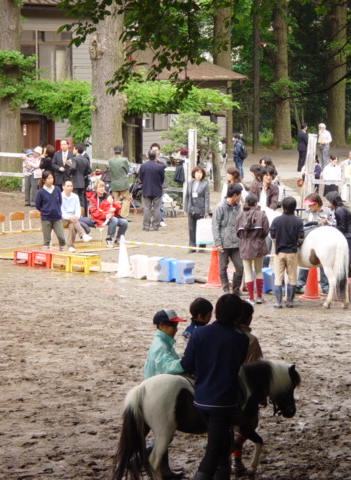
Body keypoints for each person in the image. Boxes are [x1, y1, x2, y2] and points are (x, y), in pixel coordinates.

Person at [180, 294, 249, 480]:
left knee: (222, 446)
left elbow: (186, 365)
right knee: (213, 452)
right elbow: (236, 365)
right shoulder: (241, 339)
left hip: (201, 398)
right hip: (224, 402)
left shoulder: (199, 333)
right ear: (237, 315)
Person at [143, 308, 187, 480]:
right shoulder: (160, 347)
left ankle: (165, 470)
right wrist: (187, 362)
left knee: (163, 433)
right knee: (164, 436)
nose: (175, 329)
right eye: (172, 325)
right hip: (157, 396)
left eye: (176, 325)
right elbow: (170, 367)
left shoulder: (163, 343)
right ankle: (141, 457)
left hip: (155, 391)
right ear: (161, 325)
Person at [270, 196, 304, 308]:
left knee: (278, 277)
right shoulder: (298, 221)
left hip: (279, 252)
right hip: (292, 252)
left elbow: (272, 235)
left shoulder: (276, 220)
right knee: (292, 277)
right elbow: (300, 237)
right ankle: (290, 301)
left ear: (283, 206)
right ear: (294, 207)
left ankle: (278, 302)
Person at [236, 193, 270, 304]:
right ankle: (259, 297)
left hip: (245, 246)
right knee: (259, 270)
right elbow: (266, 231)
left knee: (248, 271)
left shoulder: (240, 216)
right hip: (258, 245)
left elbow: (237, 232)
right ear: (256, 203)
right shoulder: (262, 215)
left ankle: (251, 298)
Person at [296, 193, 332, 294]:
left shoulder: (327, 211)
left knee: (323, 262)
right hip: (309, 239)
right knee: (305, 260)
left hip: (323, 240)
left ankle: (325, 286)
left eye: (311, 205)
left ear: (316, 204)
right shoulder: (308, 212)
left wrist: (326, 222)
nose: (309, 207)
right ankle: (300, 282)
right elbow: (304, 223)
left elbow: (334, 223)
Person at [212, 183, 244, 294]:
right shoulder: (219, 207)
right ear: (235, 195)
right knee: (223, 267)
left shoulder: (239, 207)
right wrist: (218, 243)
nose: (240, 197)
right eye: (239, 195)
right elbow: (215, 226)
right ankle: (225, 289)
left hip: (236, 243)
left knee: (240, 266)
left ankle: (236, 289)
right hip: (224, 243)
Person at [325, 191, 351, 276]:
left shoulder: (339, 211)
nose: (327, 203)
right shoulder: (341, 209)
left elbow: (342, 228)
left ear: (333, 201)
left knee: (348, 260)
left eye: (328, 201)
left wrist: (328, 226)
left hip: (349, 237)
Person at [87, 180, 128, 248]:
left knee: (125, 222)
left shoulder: (108, 196)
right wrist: (105, 215)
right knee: (114, 220)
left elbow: (116, 206)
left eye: (103, 187)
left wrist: (115, 208)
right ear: (96, 189)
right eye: (99, 187)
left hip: (110, 216)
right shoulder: (93, 198)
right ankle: (109, 239)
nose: (102, 189)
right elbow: (93, 212)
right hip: (99, 218)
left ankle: (118, 239)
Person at [35, 170, 66, 250]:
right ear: (44, 180)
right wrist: (45, 210)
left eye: (52, 178)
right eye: (48, 178)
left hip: (57, 217)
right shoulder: (41, 192)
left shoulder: (57, 190)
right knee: (47, 239)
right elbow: (38, 205)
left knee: (61, 237)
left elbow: (60, 202)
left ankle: (62, 252)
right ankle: (46, 255)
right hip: (46, 218)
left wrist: (56, 210)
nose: (51, 180)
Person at [184, 166, 211, 252]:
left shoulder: (205, 184)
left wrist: (206, 210)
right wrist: (186, 209)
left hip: (201, 209)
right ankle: (192, 246)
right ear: (194, 174)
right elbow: (187, 197)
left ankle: (202, 246)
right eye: (197, 173)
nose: (199, 175)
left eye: (200, 173)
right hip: (191, 208)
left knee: (201, 228)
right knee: (191, 228)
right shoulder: (190, 183)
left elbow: (207, 198)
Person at [61, 180, 92, 252]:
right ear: (63, 187)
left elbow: (78, 209)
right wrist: (70, 217)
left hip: (74, 219)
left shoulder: (75, 196)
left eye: (71, 186)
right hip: (63, 219)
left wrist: (76, 216)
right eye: (68, 186)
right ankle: (83, 234)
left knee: (72, 225)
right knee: (73, 221)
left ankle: (70, 246)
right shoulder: (60, 197)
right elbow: (61, 212)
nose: (70, 188)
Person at [139, 150, 165, 231]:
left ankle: (146, 226)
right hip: (157, 189)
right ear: (155, 157)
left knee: (147, 208)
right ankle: (156, 226)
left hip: (146, 189)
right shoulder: (159, 166)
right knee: (157, 208)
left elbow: (141, 177)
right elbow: (162, 178)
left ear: (148, 156)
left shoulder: (143, 166)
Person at [109, 145, 132, 219]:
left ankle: (117, 213)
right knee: (126, 198)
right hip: (123, 182)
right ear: (121, 152)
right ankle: (123, 214)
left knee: (116, 199)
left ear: (114, 152)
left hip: (114, 182)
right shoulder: (124, 160)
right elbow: (127, 170)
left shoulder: (110, 161)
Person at [69, 143, 92, 211]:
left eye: (74, 149)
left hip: (75, 181)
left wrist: (71, 174)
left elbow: (72, 168)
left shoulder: (74, 159)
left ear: (76, 150)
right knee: (82, 199)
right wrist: (83, 174)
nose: (73, 150)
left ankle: (75, 213)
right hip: (82, 181)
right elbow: (89, 170)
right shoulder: (85, 159)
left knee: (74, 199)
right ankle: (83, 213)